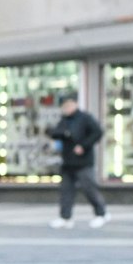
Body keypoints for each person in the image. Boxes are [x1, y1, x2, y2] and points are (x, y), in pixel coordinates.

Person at [46, 92, 108, 229]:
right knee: (66, 191)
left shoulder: (85, 118)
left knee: (89, 188)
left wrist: (84, 146)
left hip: (83, 161)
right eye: (64, 106)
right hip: (68, 161)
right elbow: (56, 133)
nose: (66, 108)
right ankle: (65, 217)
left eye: (69, 105)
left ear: (75, 104)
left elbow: (97, 132)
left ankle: (101, 213)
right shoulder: (63, 120)